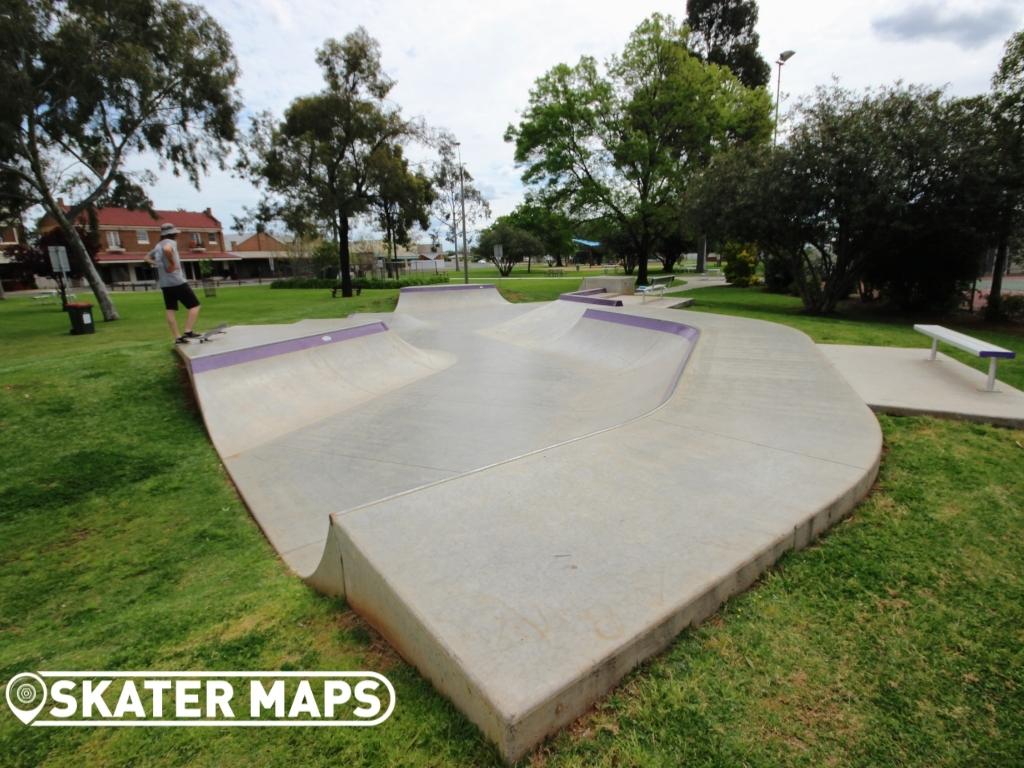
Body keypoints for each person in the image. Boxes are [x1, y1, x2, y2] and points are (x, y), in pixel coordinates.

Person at [146, 222, 201, 344]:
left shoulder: (157, 245)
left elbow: (146, 258)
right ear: (173, 233)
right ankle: (188, 331)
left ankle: (177, 337)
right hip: (177, 281)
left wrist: (158, 264)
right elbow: (167, 249)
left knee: (170, 309)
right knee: (195, 306)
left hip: (165, 284)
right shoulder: (169, 243)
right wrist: (172, 264)